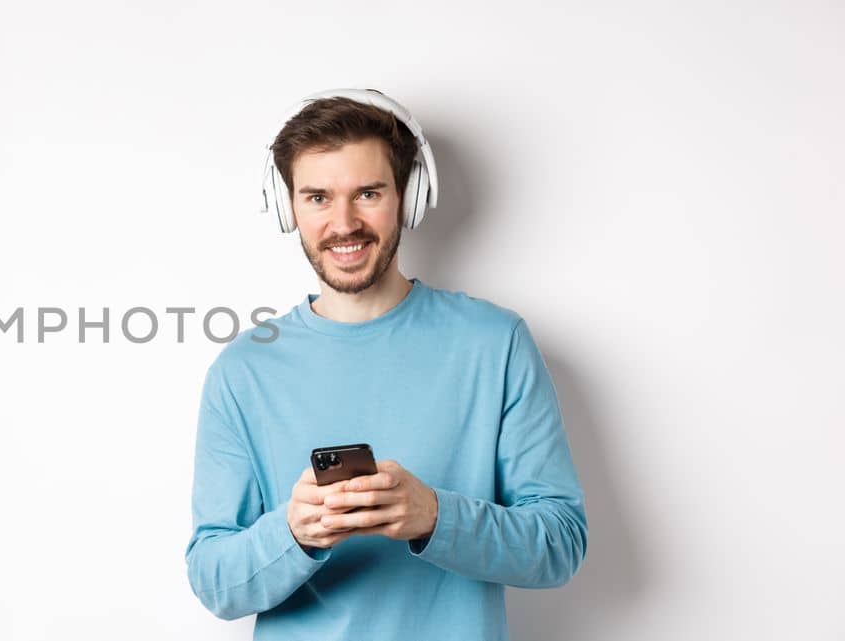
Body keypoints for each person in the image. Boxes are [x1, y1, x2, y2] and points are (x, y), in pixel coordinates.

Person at [184, 91, 588, 640]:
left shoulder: (496, 344)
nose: (343, 223)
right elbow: (214, 584)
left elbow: (561, 543)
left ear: (409, 197)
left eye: (368, 193)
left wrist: (434, 517)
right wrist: (294, 531)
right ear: (289, 208)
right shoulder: (242, 370)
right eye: (318, 197)